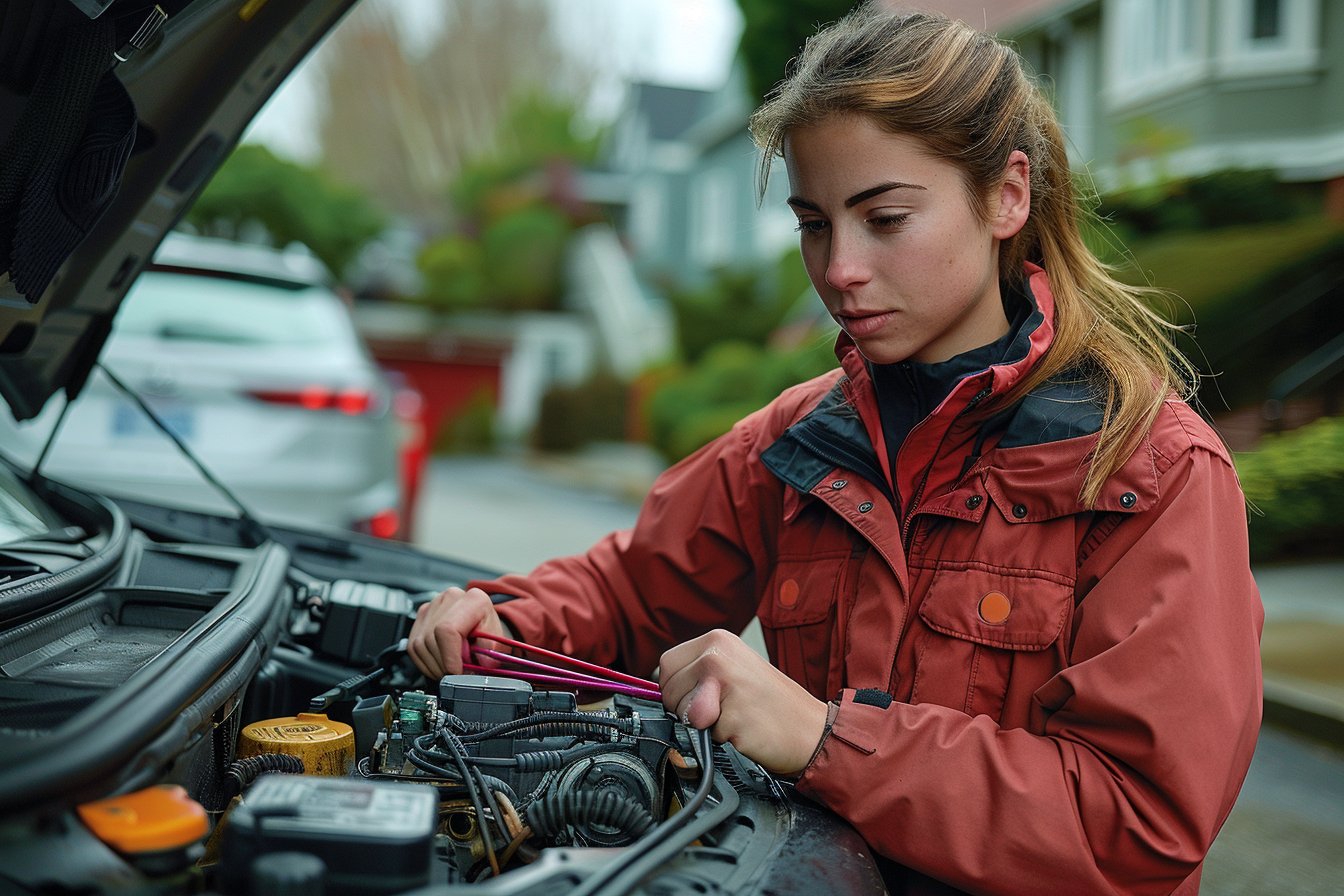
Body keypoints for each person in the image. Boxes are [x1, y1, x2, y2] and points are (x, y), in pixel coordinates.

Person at [408, 4, 1263, 893]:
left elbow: (1140, 820)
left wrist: (824, 741)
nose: (839, 268)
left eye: (884, 218)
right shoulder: (799, 437)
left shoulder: (1152, 472)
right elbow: (632, 591)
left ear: (1008, 196)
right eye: (814, 223)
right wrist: (504, 625)